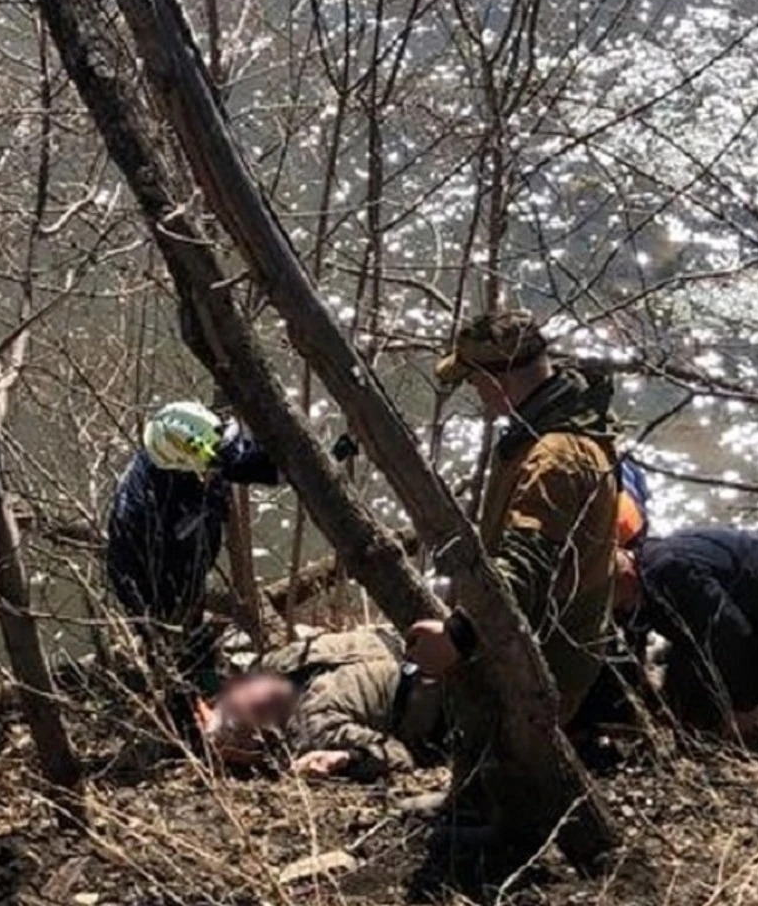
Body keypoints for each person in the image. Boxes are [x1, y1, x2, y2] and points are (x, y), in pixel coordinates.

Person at [405, 310, 622, 726]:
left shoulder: (553, 460)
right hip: (557, 643)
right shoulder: (562, 424)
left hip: (544, 664)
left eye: (474, 380)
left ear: (497, 382)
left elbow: (525, 568)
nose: (476, 391)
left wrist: (458, 637)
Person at [618, 527, 758, 742]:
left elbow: (730, 633)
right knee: (683, 700)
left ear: (628, 577)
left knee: (721, 726)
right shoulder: (648, 561)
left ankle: (750, 716)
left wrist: (743, 708)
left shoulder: (669, 573)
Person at [106, 401, 280, 685]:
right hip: (153, 583)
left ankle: (200, 670)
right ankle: (189, 695)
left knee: (192, 629)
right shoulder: (144, 508)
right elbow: (166, 569)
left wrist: (324, 458)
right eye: (208, 465)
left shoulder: (189, 445)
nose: (214, 468)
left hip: (182, 562)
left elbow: (244, 464)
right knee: (178, 649)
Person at [200, 628, 447, 781]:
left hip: (431, 643)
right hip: (441, 703)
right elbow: (399, 756)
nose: (257, 697)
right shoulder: (312, 730)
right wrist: (348, 758)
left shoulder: (276, 664)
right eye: (256, 713)